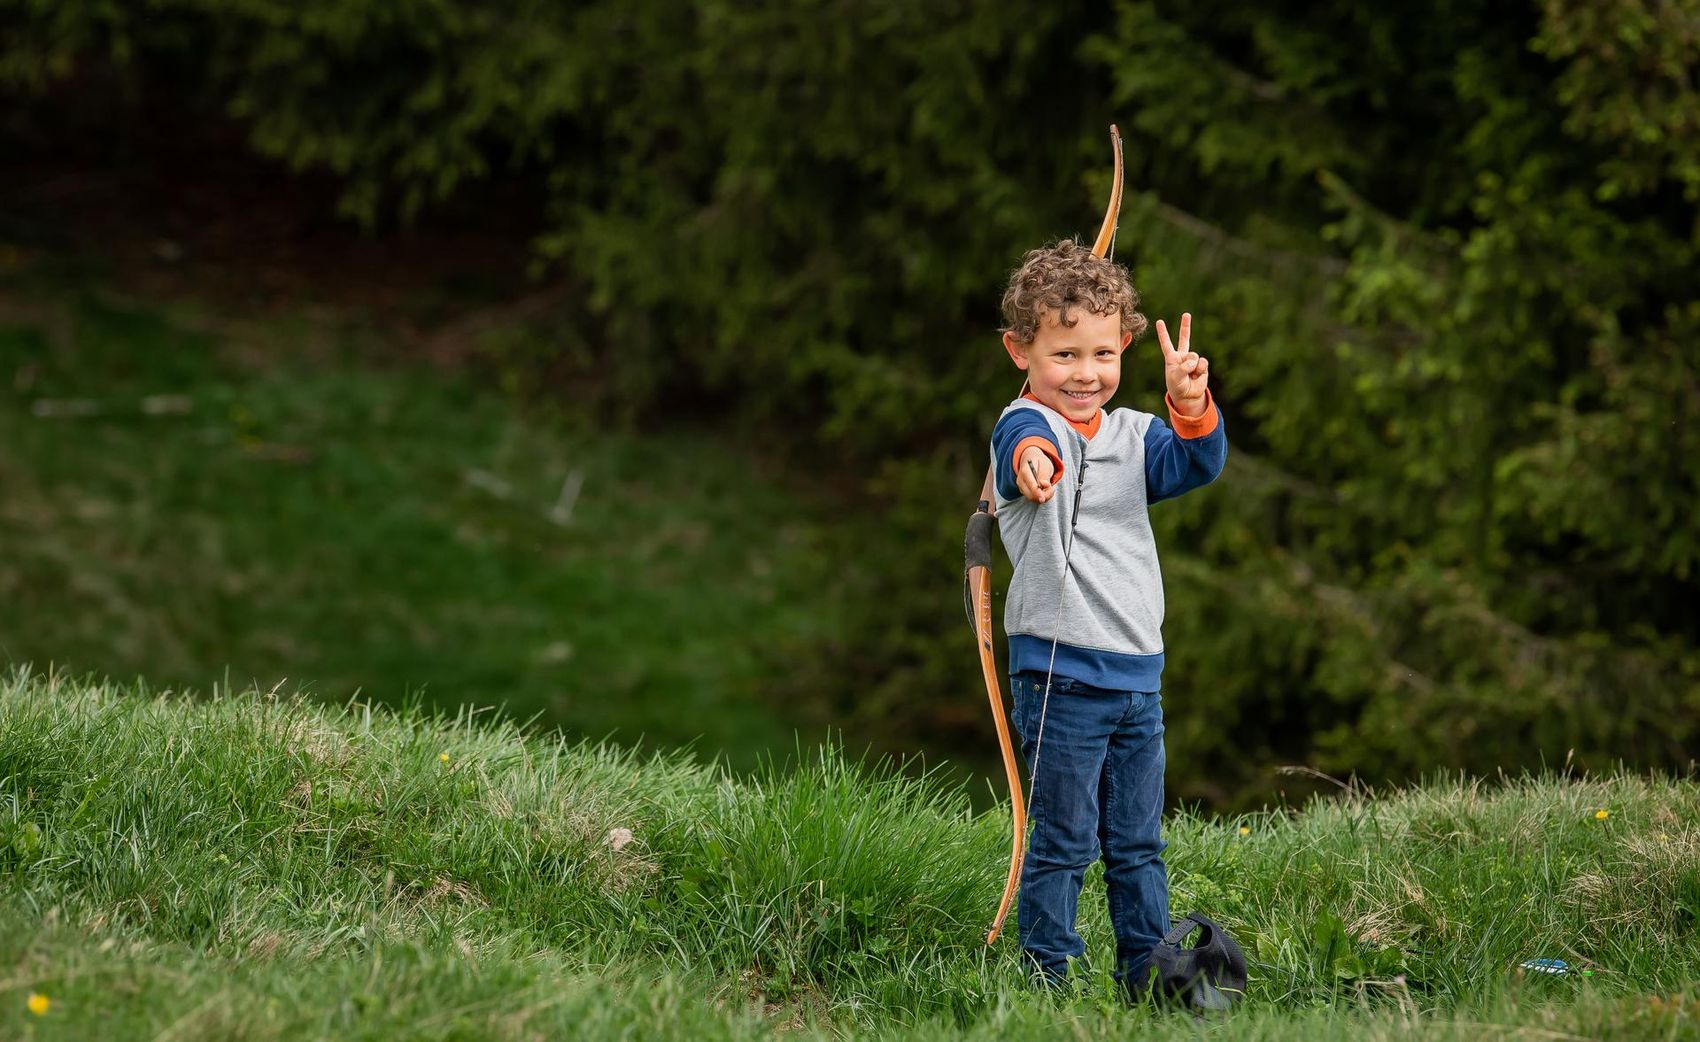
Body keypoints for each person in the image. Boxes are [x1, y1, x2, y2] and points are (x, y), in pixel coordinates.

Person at [989, 238, 1227, 997]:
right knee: (1062, 841)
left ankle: (1149, 980)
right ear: (1019, 351)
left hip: (1136, 676)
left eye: (1101, 351)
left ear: (1124, 344)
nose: (1084, 373)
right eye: (1063, 354)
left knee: (1137, 843)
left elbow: (1193, 463)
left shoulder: (1134, 434)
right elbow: (1025, 447)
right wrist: (1030, 464)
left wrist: (1189, 406)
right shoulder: (1026, 424)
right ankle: (1047, 981)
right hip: (1059, 674)